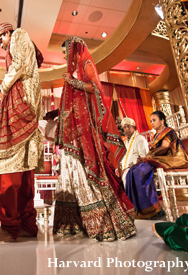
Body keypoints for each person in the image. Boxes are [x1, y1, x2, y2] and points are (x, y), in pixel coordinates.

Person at [53, 37, 136, 241]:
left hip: (85, 130)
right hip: (73, 131)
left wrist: (73, 82)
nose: (64, 56)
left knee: (87, 170)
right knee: (70, 172)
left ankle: (103, 222)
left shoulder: (86, 65)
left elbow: (95, 89)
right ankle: (74, 224)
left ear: (73, 50)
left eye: (65, 52)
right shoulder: (73, 70)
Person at [0, 23, 44, 242]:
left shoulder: (19, 35)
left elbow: (18, 65)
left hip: (21, 108)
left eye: (1, 39)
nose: (1, 44)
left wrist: (4, 86)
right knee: (24, 172)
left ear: (8, 32)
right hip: (26, 110)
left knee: (9, 168)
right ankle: (26, 224)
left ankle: (9, 226)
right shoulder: (20, 43)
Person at [125, 110, 188, 219]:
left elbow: (165, 148)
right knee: (132, 170)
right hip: (160, 157)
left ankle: (153, 209)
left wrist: (148, 157)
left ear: (162, 121)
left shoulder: (168, 131)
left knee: (140, 171)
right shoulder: (156, 135)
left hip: (172, 157)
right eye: (151, 121)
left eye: (154, 120)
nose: (152, 123)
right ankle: (139, 209)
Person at [118, 117, 149, 188]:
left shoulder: (140, 139)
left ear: (134, 128)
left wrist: (134, 164)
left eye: (128, 126)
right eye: (124, 127)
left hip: (136, 169)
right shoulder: (125, 142)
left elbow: (144, 157)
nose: (126, 129)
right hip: (125, 170)